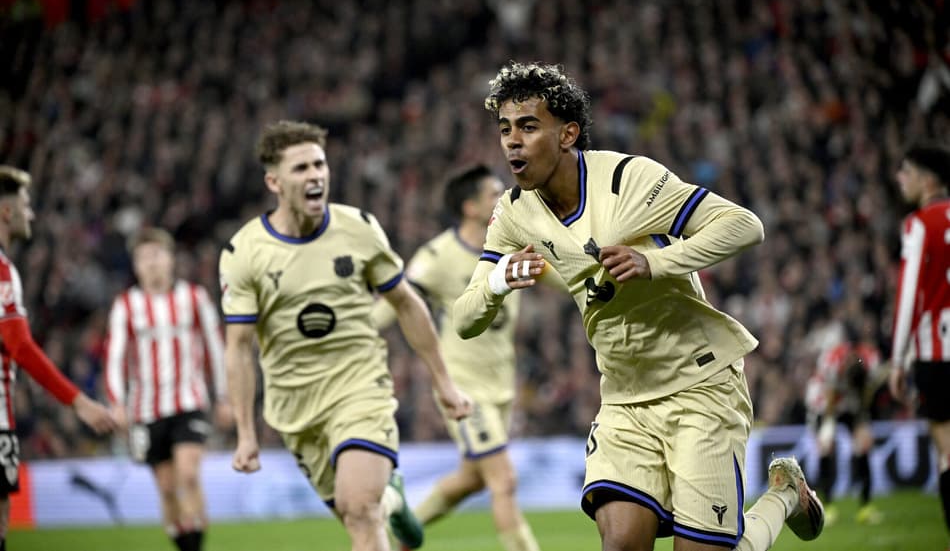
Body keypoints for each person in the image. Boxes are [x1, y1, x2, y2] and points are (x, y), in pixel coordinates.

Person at [453, 61, 825, 551]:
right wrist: (499, 280)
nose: (512, 142)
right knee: (622, 544)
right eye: (505, 129)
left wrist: (656, 262)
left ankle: (783, 497)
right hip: (624, 399)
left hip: (699, 385)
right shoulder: (513, 214)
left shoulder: (628, 179)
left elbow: (743, 226)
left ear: (567, 134)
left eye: (528, 126)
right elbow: (464, 319)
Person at [219, 120, 472, 551]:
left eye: (319, 164)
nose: (315, 175)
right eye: (301, 168)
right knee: (362, 519)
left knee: (359, 510)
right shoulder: (244, 252)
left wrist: (443, 382)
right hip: (295, 409)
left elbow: (406, 303)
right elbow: (239, 348)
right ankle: (393, 501)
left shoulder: (359, 228)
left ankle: (381, 501)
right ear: (274, 182)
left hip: (359, 388)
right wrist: (245, 432)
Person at [372, 164, 547, 551]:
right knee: (503, 480)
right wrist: (361, 331)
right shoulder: (438, 255)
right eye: (493, 194)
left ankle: (403, 529)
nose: (503, 199)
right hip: (465, 388)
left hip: (501, 385)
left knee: (472, 479)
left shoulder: (511, 243)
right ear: (470, 207)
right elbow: (398, 301)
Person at [0, 166, 117, 550]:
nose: (31, 214)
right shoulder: (2, 271)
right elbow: (21, 347)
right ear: (6, 212)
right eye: (26, 205)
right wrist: (78, 401)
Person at [105, 227, 231, 551]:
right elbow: (115, 357)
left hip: (189, 402)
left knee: (188, 474)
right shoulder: (126, 305)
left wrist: (224, 397)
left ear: (171, 259)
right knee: (166, 488)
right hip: (146, 409)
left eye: (157, 254)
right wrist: (117, 403)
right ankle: (185, 545)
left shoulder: (194, 298)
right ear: (135, 265)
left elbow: (216, 348)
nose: (152, 262)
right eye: (144, 257)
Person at [889, 142, 950, 549]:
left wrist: (898, 361)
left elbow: (909, 295)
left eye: (906, 172)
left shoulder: (920, 224)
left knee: (948, 453)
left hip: (936, 353)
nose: (900, 178)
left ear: (927, 180)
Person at [804, 315, 887, 526]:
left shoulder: (871, 360)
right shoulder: (831, 362)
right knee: (826, 447)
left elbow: (869, 392)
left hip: (853, 401)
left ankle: (865, 507)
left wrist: (861, 418)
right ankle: (827, 506)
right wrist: (828, 425)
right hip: (825, 400)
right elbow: (829, 395)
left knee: (863, 446)